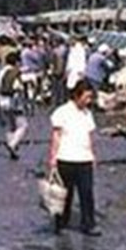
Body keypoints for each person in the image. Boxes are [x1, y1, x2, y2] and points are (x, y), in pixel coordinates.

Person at [46, 80, 100, 235]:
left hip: (84, 159)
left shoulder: (87, 114)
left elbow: (89, 136)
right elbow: (56, 136)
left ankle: (89, 224)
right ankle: (61, 222)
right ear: (77, 95)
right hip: (66, 158)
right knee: (64, 194)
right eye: (86, 97)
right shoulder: (62, 112)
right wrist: (53, 158)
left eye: (90, 98)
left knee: (87, 193)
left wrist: (92, 154)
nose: (88, 101)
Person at [0, 51, 28, 160]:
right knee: (23, 125)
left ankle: (12, 150)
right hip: (14, 102)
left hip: (2, 100)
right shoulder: (16, 72)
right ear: (16, 62)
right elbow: (18, 87)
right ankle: (12, 144)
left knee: (11, 126)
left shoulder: (1, 71)